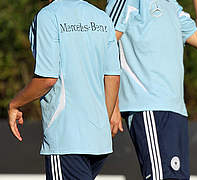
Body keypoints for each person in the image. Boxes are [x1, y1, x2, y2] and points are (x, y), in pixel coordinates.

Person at [7, 0, 120, 179]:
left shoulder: (48, 15)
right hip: (99, 141)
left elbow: (47, 79)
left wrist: (15, 103)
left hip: (66, 138)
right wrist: (100, 125)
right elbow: (112, 77)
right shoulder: (102, 17)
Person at [105, 0, 197, 179]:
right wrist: (113, 103)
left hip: (175, 108)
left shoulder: (171, 4)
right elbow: (104, 46)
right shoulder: (127, 2)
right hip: (148, 105)